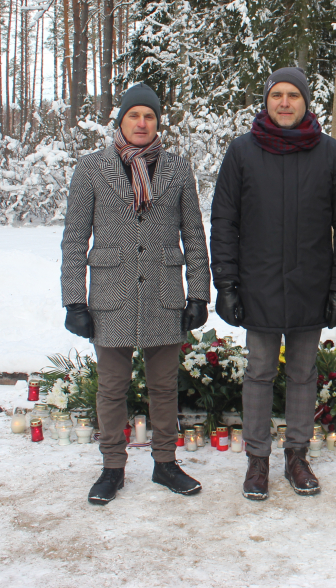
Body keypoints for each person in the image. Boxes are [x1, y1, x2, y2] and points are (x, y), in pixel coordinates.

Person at [210, 67, 336, 501]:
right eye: (277, 95)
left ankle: (297, 454)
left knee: (302, 372)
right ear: (266, 101)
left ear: (306, 102)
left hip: (310, 285)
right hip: (258, 285)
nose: (285, 102)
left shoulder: (331, 154)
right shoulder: (241, 153)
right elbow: (225, 222)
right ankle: (258, 460)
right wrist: (228, 283)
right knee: (258, 372)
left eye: (293, 95)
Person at [61, 83, 211, 506]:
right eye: (134, 116)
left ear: (157, 122)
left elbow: (194, 236)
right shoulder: (91, 168)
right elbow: (74, 239)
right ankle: (112, 467)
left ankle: (166, 464)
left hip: (164, 292)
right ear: (121, 121)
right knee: (111, 387)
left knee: (164, 387)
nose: (142, 123)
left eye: (149, 116)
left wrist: (198, 293)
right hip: (111, 294)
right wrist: (74, 299)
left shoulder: (178, 168)